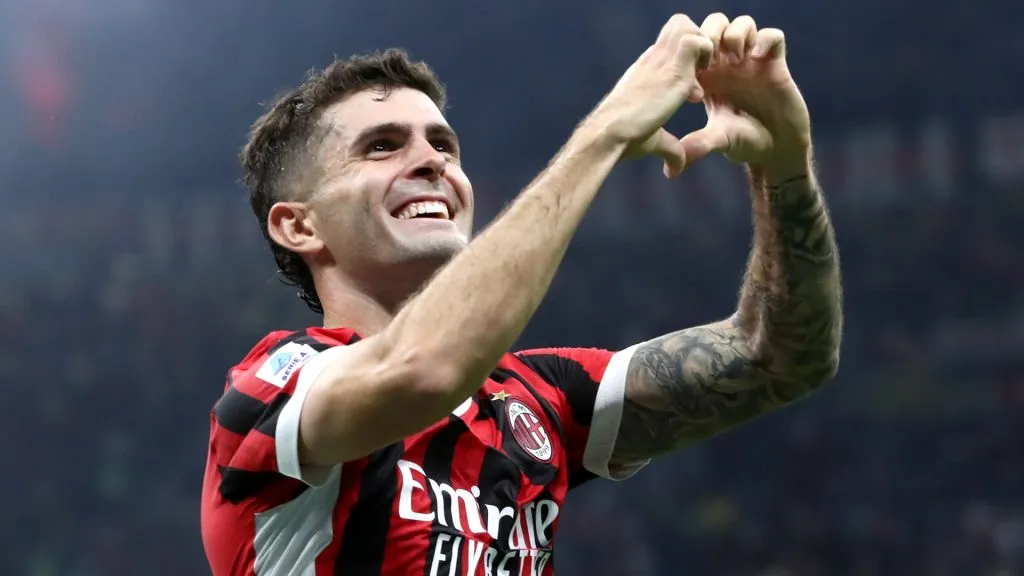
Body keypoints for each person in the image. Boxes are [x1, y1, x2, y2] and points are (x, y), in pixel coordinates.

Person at [201, 12, 843, 576]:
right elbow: (424, 369)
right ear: (299, 225)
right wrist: (608, 132)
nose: (433, 163)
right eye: (381, 147)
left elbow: (778, 356)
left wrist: (783, 166)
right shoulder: (270, 392)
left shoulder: (538, 399)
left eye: (444, 145)